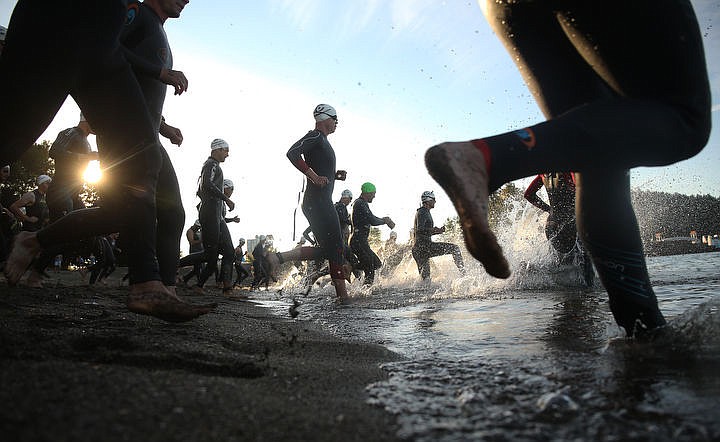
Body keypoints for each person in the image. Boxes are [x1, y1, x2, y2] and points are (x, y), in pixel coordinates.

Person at [424, 0, 710, 337]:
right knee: (686, 122)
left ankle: (644, 328)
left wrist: (544, 206)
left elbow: (543, 188)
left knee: (599, 157)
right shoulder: (548, 175)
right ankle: (487, 157)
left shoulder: (550, 171)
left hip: (498, 7)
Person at [0, 0, 209, 322]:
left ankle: (150, 285)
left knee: (138, 201)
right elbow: (118, 56)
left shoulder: (136, 22)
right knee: (10, 140)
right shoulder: (137, 13)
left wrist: (162, 125)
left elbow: (125, 73)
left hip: (102, 49)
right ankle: (151, 282)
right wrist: (159, 71)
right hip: (64, 30)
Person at [265, 104, 349, 297]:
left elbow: (319, 169)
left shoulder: (323, 141)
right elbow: (292, 153)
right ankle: (343, 297)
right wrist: (314, 176)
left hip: (316, 202)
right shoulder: (316, 136)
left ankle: (278, 258)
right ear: (326, 118)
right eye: (335, 119)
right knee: (336, 246)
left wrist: (333, 175)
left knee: (329, 250)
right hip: (318, 202)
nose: (337, 124)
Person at [22, 116, 99, 287]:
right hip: (60, 190)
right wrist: (85, 157)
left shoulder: (87, 142)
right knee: (63, 233)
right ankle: (34, 272)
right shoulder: (70, 132)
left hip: (74, 194)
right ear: (86, 118)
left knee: (91, 228)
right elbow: (54, 151)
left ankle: (94, 270)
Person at [176, 139, 236, 295]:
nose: (228, 154)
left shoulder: (216, 166)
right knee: (210, 255)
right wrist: (226, 198)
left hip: (217, 216)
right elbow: (206, 184)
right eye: (226, 150)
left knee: (229, 251)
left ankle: (227, 288)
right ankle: (174, 266)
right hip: (209, 213)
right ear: (217, 149)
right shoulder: (210, 164)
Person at [411, 191, 465, 280]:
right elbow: (419, 230)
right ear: (428, 200)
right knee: (455, 249)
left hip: (419, 249)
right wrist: (434, 230)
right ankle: (464, 275)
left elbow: (422, 232)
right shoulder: (423, 212)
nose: (435, 201)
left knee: (426, 281)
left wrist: (437, 231)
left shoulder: (423, 212)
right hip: (424, 247)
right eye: (434, 199)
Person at [350, 182, 395, 286]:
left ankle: (350, 266)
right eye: (373, 193)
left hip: (360, 241)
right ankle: (366, 291)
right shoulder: (360, 203)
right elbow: (372, 220)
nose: (374, 196)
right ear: (368, 192)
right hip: (358, 241)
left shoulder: (360, 203)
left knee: (377, 264)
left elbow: (371, 218)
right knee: (370, 267)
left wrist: (384, 220)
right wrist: (385, 220)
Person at [181, 220, 204, 286]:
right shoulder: (190, 231)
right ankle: (199, 284)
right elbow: (191, 242)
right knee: (198, 268)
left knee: (197, 268)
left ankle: (185, 279)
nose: (199, 228)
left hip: (200, 250)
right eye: (198, 227)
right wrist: (202, 240)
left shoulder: (199, 231)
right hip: (194, 251)